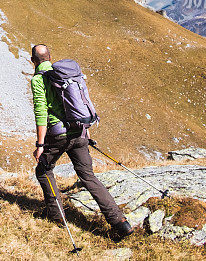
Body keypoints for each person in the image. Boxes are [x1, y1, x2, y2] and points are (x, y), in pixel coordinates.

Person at [30, 44, 133, 241]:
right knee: (88, 176)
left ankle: (56, 216)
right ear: (50, 57)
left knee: (43, 170)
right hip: (79, 132)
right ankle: (120, 222)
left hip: (58, 135)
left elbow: (41, 112)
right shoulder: (64, 75)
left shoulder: (38, 80)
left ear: (32, 61)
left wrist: (40, 145)